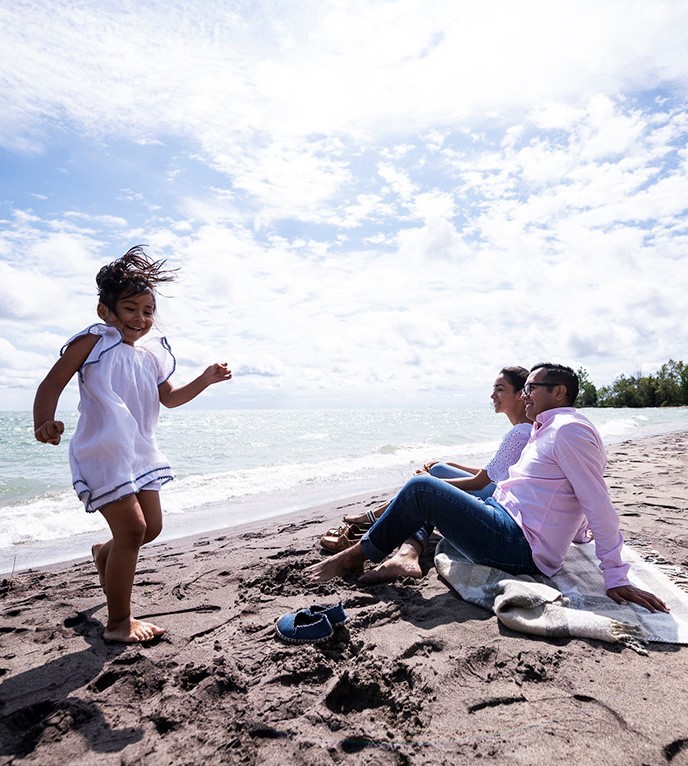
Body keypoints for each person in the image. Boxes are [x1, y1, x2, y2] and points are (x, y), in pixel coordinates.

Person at [305, 363, 669, 614]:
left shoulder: (570, 430)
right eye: (523, 389)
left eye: (530, 388)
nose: (524, 395)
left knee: (422, 488)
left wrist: (616, 575)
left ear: (559, 392)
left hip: (518, 544)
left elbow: (598, 502)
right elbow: (556, 494)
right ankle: (395, 547)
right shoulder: (545, 429)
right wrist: (577, 531)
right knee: (428, 486)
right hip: (504, 518)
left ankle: (356, 554)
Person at [33, 246, 232, 643]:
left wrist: (205, 379)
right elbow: (51, 383)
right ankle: (119, 623)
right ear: (105, 310)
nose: (140, 319)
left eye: (147, 310)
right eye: (130, 309)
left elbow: (170, 398)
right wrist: (44, 421)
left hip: (139, 452)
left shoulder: (150, 356)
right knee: (133, 529)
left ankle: (103, 554)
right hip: (103, 449)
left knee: (150, 528)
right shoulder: (93, 342)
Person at [328, 366, 533, 583]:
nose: (492, 395)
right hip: (503, 498)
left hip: (502, 512)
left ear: (520, 394)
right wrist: (449, 465)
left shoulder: (519, 433)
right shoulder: (525, 429)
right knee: (436, 471)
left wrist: (432, 486)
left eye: (500, 389)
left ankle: (384, 522)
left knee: (424, 486)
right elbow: (495, 473)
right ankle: (398, 526)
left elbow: (480, 482)